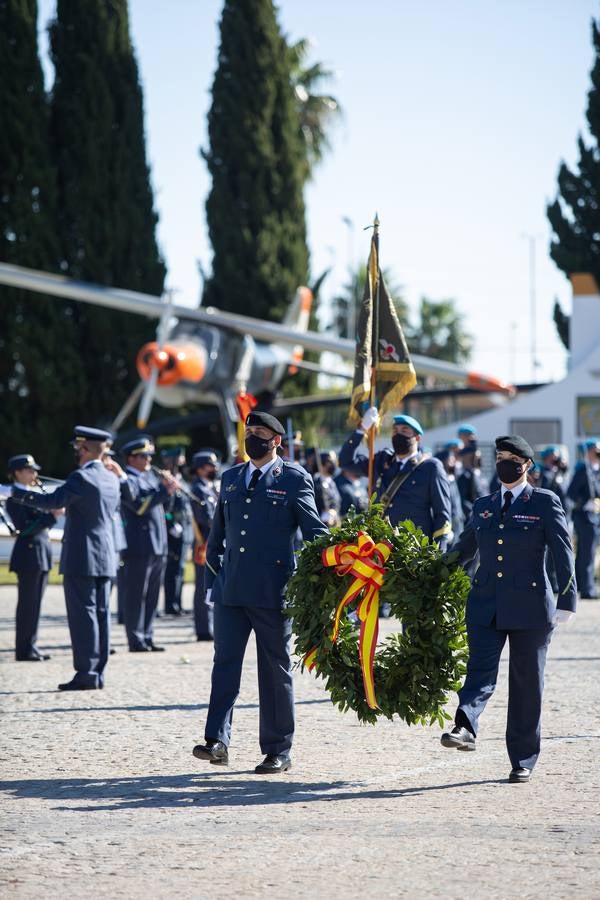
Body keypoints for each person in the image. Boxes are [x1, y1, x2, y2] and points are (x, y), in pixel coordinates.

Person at [192, 411, 328, 774]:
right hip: (231, 590)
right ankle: (217, 740)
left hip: (273, 592)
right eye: (249, 432)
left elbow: (314, 532)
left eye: (260, 433)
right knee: (224, 667)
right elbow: (216, 537)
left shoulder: (295, 479)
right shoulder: (232, 477)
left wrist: (344, 557)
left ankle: (278, 749)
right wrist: (211, 585)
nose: (253, 438)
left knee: (274, 671)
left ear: (277, 441)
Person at [441, 434, 577, 783]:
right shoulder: (484, 505)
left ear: (526, 465)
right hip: (486, 603)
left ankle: (523, 757)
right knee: (479, 672)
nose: (504, 461)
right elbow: (465, 548)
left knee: (526, 683)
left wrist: (567, 599)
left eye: (511, 457)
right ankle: (464, 727)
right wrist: (429, 575)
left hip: (531, 608)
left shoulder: (544, 502)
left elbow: (563, 551)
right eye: (499, 455)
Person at [11, 427, 121, 690]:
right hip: (106, 555)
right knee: (101, 615)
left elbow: (52, 501)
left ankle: (86, 673)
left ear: (84, 449)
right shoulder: (110, 478)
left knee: (84, 616)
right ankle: (97, 673)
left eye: (76, 449)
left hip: (82, 556)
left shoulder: (81, 477)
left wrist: (15, 493)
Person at [339, 408, 452, 548]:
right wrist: (361, 430)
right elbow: (345, 462)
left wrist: (438, 553)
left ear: (417, 438)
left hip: (414, 550)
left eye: (404, 431)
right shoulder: (381, 461)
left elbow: (442, 515)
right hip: (381, 547)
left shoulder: (431, 467)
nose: (398, 434)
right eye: (395, 431)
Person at [119, 437, 176, 652]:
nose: (149, 459)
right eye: (144, 456)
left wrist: (169, 490)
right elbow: (139, 507)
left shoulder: (149, 478)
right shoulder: (128, 480)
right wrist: (162, 491)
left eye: (150, 455)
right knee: (136, 594)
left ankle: (147, 635)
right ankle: (136, 638)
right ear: (131, 458)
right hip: (139, 545)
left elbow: (165, 508)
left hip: (157, 544)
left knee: (152, 594)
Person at [6, 454, 59, 662]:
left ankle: (31, 645)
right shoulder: (15, 497)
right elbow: (25, 528)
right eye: (29, 470)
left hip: (40, 555)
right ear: (17, 473)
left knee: (35, 605)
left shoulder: (33, 494)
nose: (34, 474)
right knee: (28, 605)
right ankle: (24, 649)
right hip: (28, 555)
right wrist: (51, 516)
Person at [190, 450, 220, 641]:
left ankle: (210, 625)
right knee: (203, 586)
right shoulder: (198, 489)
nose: (215, 469)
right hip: (204, 542)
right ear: (201, 469)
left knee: (212, 585)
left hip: (214, 542)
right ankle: (203, 628)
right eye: (211, 465)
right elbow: (206, 518)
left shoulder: (210, 487)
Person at [160, 447, 193, 616]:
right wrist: (171, 523)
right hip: (173, 530)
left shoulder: (182, 480)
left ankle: (177, 603)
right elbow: (165, 507)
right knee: (172, 569)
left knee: (180, 569)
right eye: (179, 457)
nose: (182, 461)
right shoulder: (165, 481)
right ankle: (170, 604)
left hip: (185, 530)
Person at [567, 440, 600, 600]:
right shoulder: (583, 470)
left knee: (589, 553)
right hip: (584, 517)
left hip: (594, 517)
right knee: (586, 554)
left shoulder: (596, 471)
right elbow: (571, 493)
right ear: (588, 452)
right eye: (596, 449)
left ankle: (584, 585)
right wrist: (585, 503)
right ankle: (587, 589)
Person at [435, 447, 464, 544]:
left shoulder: (452, 479)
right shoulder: (441, 481)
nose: (454, 461)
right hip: (449, 525)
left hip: (458, 523)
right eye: (450, 459)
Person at [456, 441, 489, 523]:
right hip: (474, 520)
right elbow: (462, 500)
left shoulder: (480, 474)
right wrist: (475, 512)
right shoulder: (465, 477)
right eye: (475, 455)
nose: (478, 456)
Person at [309, 450, 342, 527]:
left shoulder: (332, 482)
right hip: (321, 524)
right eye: (330, 463)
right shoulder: (315, 482)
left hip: (334, 522)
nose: (333, 465)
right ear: (322, 465)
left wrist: (334, 511)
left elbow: (337, 501)